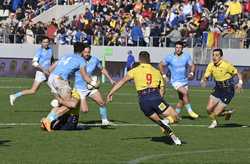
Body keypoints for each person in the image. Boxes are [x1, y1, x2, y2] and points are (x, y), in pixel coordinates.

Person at [106, 51, 182, 145]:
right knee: (176, 117)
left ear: (139, 60)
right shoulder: (156, 71)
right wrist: (159, 100)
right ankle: (167, 120)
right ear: (149, 60)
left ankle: (175, 139)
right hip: (155, 97)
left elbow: (121, 82)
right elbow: (162, 89)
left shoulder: (134, 70)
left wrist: (110, 93)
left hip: (143, 101)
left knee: (161, 124)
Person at [41, 42, 97, 132]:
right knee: (72, 104)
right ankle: (48, 120)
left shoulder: (66, 56)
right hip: (60, 80)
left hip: (52, 78)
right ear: (83, 51)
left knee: (66, 104)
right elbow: (85, 77)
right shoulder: (81, 60)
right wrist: (95, 84)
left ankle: (47, 121)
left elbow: (49, 70)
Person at [73, 43, 115, 125]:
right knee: (82, 109)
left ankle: (105, 121)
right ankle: (72, 121)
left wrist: (110, 79)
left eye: (88, 52)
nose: (87, 54)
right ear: (82, 52)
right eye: (85, 52)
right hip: (79, 89)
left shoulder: (94, 60)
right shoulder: (77, 60)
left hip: (90, 87)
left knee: (102, 102)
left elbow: (102, 69)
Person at [200, 48, 243, 128]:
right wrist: (203, 80)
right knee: (208, 109)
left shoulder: (226, 65)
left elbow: (238, 73)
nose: (214, 57)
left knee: (216, 113)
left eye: (217, 55)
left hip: (228, 90)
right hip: (218, 89)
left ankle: (226, 113)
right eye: (213, 55)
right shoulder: (211, 65)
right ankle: (215, 121)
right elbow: (206, 76)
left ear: (221, 57)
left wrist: (240, 83)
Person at [159, 41, 199, 119]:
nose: (178, 49)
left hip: (184, 81)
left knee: (182, 100)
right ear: (175, 48)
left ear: (182, 49)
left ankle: (174, 116)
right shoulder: (170, 57)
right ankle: (190, 111)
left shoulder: (186, 56)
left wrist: (191, 73)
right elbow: (160, 65)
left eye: (180, 48)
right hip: (175, 81)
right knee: (185, 92)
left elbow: (193, 65)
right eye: (176, 47)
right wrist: (164, 76)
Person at [9, 37, 53, 106]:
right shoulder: (39, 51)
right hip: (41, 73)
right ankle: (14, 96)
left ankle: (60, 104)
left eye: (47, 42)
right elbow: (34, 63)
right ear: (41, 43)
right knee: (33, 90)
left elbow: (51, 61)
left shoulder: (50, 50)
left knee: (55, 87)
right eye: (44, 42)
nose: (46, 43)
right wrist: (43, 70)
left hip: (48, 72)